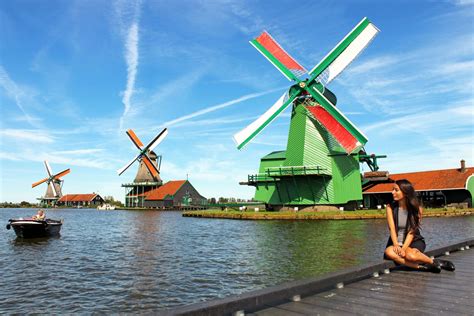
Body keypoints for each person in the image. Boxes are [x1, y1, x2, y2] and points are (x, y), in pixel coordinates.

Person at [384, 179, 455, 272]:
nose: (392, 192)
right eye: (392, 189)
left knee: (410, 256)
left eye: (396, 190)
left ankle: (433, 262)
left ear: (405, 193)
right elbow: (392, 229)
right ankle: (424, 267)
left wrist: (404, 248)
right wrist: (396, 245)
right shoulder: (390, 207)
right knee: (389, 252)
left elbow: (412, 232)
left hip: (413, 240)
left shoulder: (417, 209)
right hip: (396, 241)